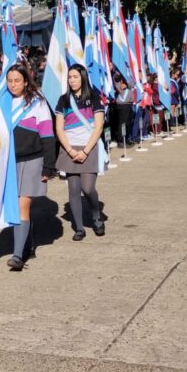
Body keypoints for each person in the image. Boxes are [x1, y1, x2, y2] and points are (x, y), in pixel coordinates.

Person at [5, 62, 56, 270]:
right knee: (16, 206)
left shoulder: (38, 102)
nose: (13, 84)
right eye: (9, 81)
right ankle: (27, 245)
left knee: (21, 206)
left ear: (26, 81)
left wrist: (49, 166)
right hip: (10, 162)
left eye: (17, 80)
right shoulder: (2, 102)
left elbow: (47, 135)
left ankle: (17, 256)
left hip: (33, 160)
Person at [55, 64, 106, 240]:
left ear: (83, 78)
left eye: (75, 77)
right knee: (74, 190)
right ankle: (79, 228)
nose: (72, 80)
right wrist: (69, 150)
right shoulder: (63, 100)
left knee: (88, 187)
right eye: (69, 77)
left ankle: (96, 215)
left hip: (89, 147)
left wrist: (85, 151)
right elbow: (59, 128)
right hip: (69, 148)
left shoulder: (94, 97)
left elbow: (98, 126)